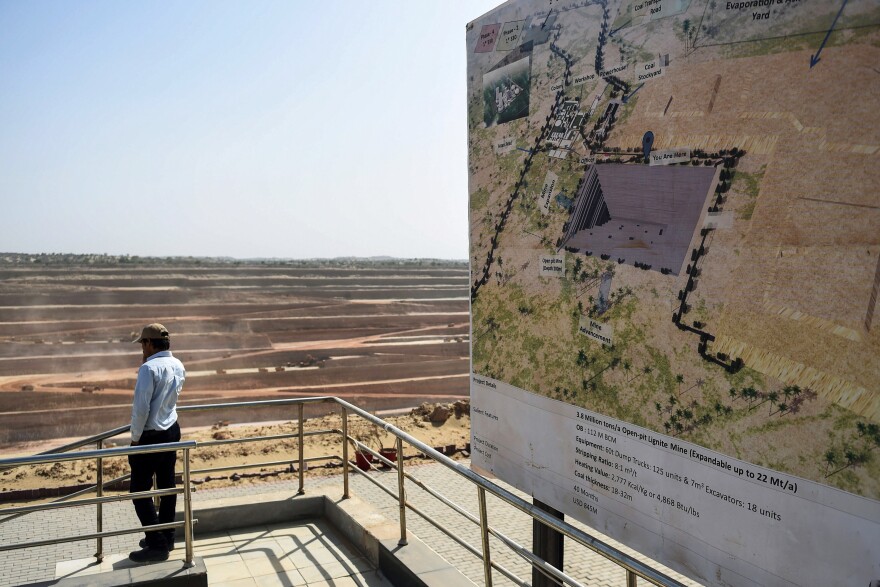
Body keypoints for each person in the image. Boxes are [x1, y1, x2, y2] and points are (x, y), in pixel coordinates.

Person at [127, 323, 185, 563]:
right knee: (167, 485)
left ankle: (157, 544)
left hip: (150, 436)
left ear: (149, 344)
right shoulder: (178, 364)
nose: (141, 348)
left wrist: (134, 439)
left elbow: (141, 409)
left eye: (142, 343)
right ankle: (167, 537)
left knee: (139, 490)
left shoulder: (148, 369)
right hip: (171, 430)